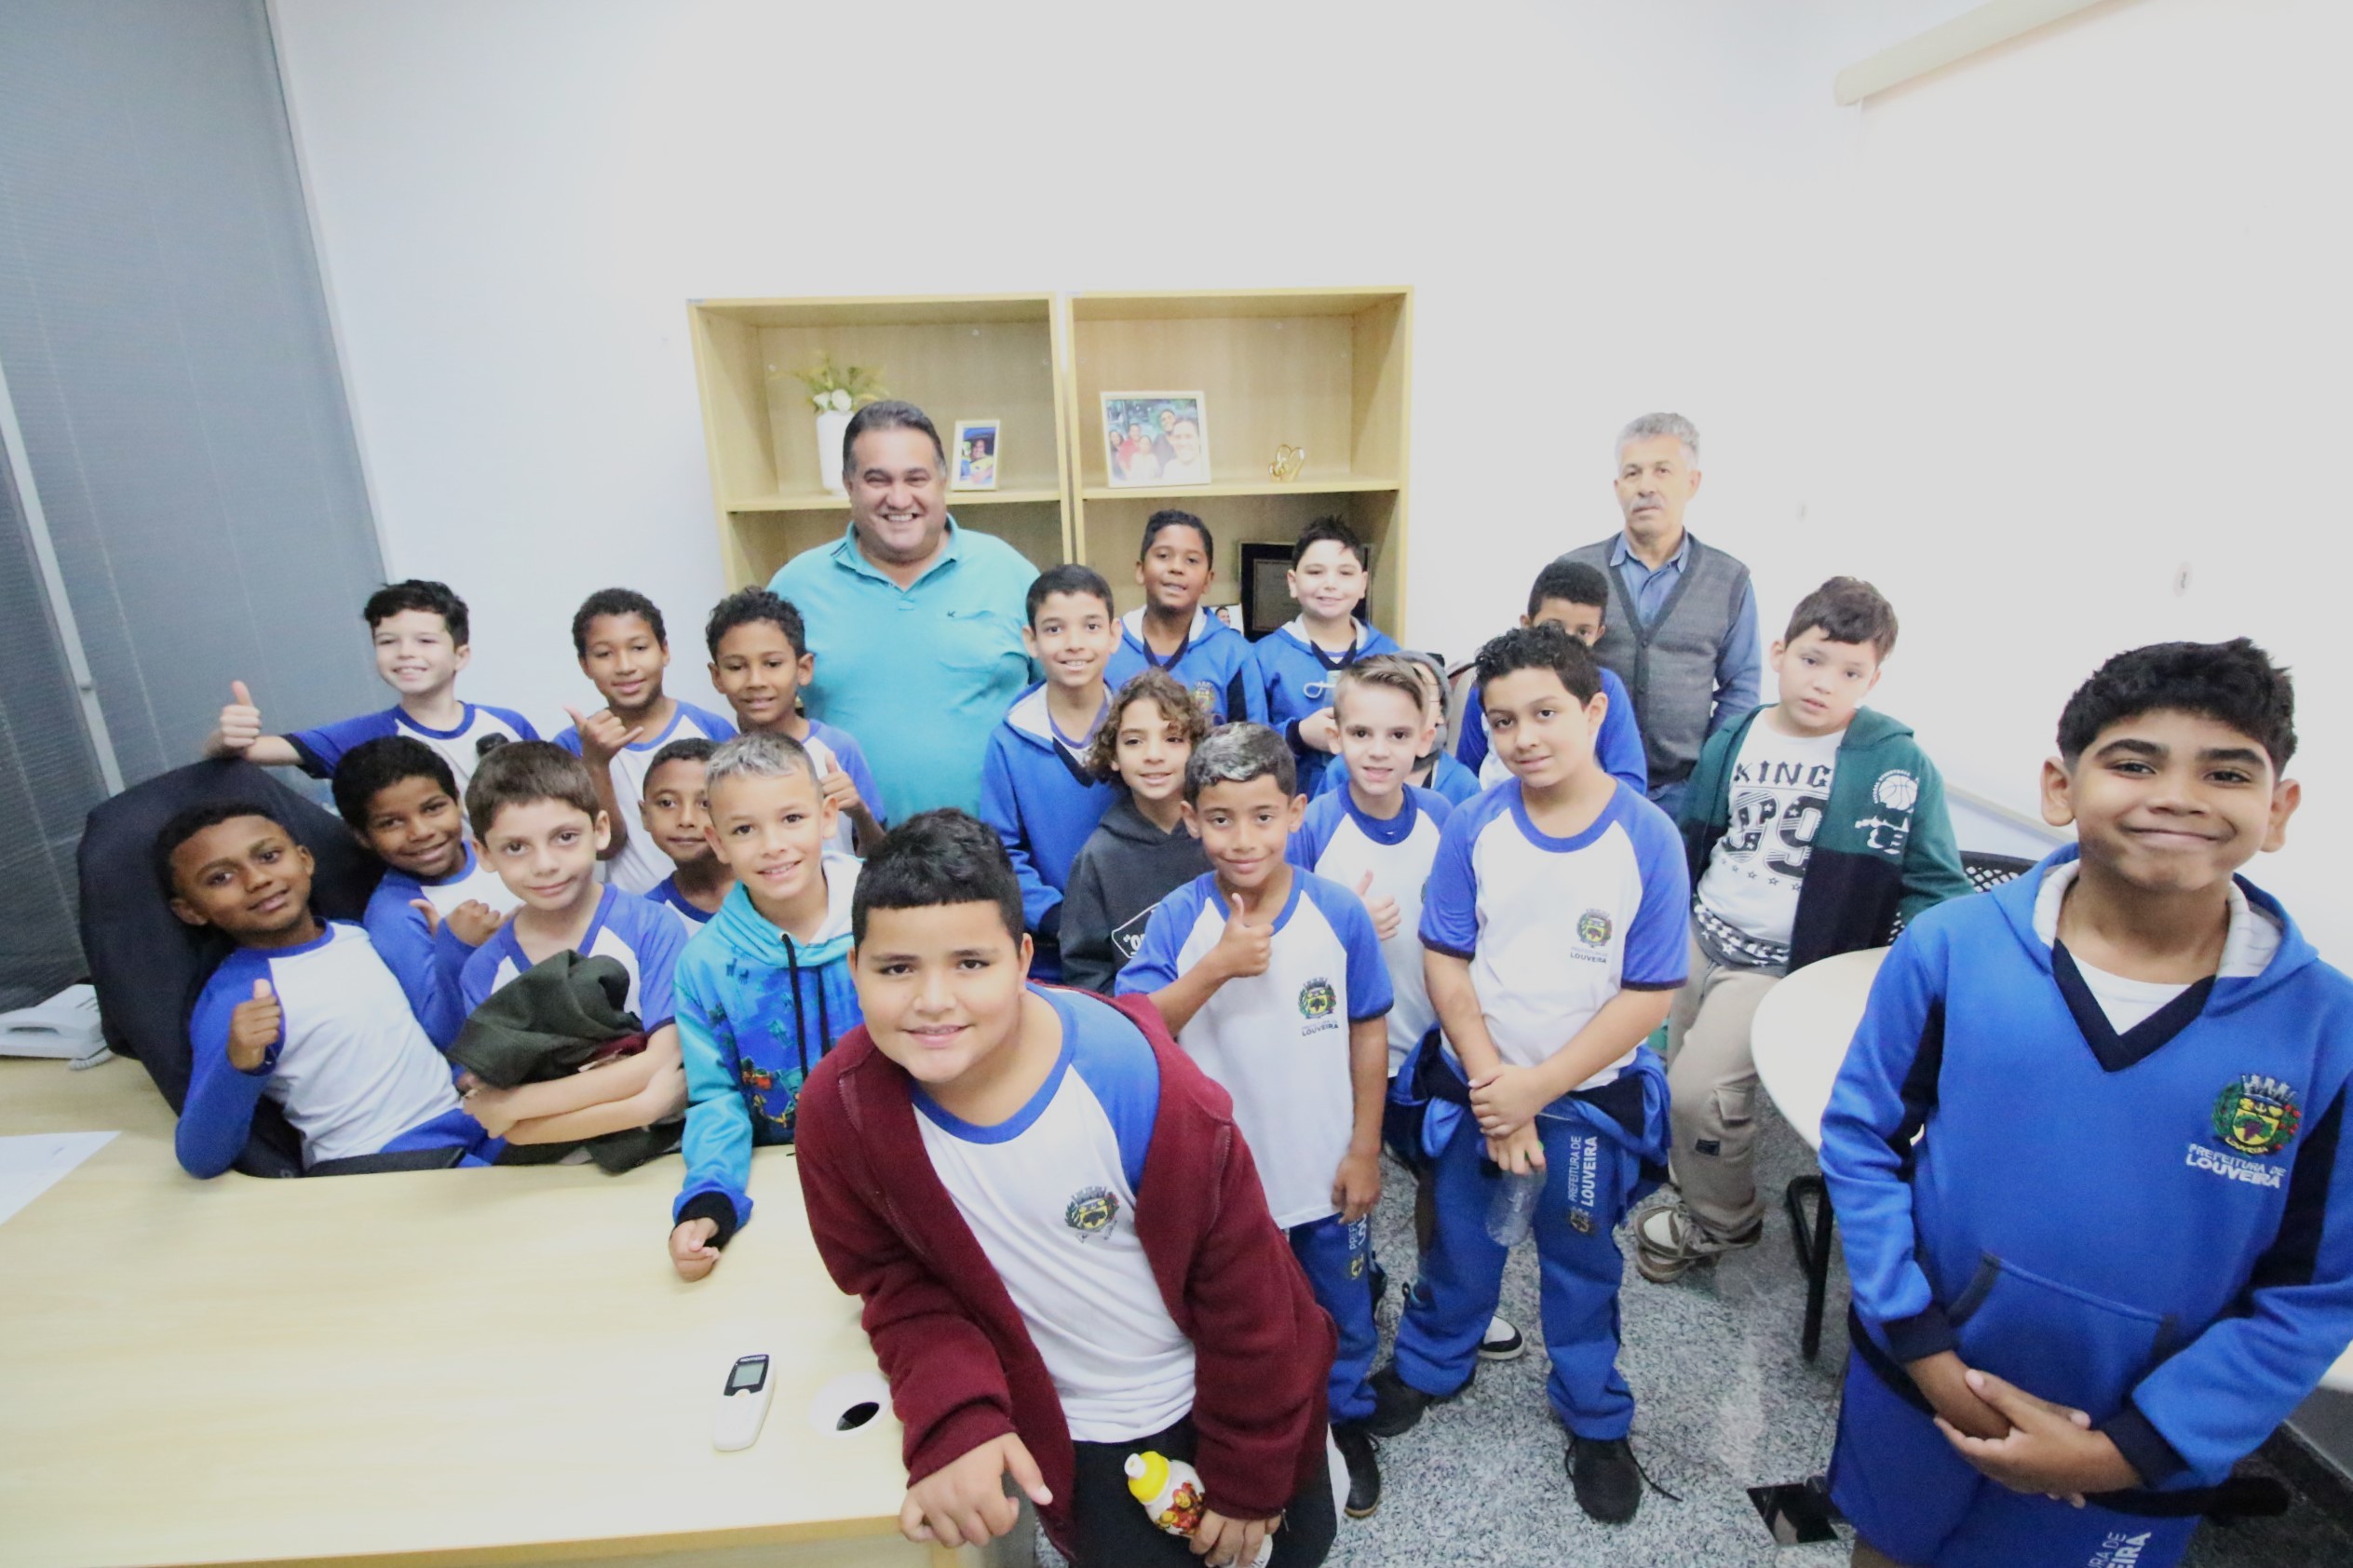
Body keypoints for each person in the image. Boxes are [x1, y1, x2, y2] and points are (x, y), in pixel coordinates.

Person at [1822, 640, 2352, 1568]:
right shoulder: (1950, 948)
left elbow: (2316, 1290)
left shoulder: (2326, 1031)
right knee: (1886, 1550)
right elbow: (1861, 1142)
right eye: (2134, 763)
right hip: (1918, 1382)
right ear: (2060, 788)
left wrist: (2121, 1452)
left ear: (2277, 811)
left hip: (2130, 1446)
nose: (2177, 796)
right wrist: (1925, 1353)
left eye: (2226, 772)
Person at [794, 810, 1339, 1567]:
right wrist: (956, 1416)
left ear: (1023, 959)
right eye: (896, 969)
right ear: (854, 967)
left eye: (970, 963)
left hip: (1237, 1399)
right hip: (1079, 1434)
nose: (933, 1000)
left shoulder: (1137, 1079)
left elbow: (1250, 1294)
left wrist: (1251, 1471)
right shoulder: (841, 1113)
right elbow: (895, 1283)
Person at [1369, 624, 1687, 1526]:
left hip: (1583, 1101)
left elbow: (1650, 992)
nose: (1523, 738)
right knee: (1460, 1245)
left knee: (1581, 1259)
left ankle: (1593, 1412)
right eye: (1502, 721)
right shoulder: (1477, 824)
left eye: (1545, 713)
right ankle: (1432, 1362)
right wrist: (1493, 1087)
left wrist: (1535, 1092)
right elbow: (1445, 956)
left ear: (1593, 711)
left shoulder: (1646, 837)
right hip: (1480, 1088)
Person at [1636, 578, 1970, 1283]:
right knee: (1672, 1071)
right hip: (1702, 933)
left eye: (1850, 672)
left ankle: (1723, 1221)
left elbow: (1936, 884)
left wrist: (1932, 979)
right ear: (1779, 652)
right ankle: (1689, 1173)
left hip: (1782, 965)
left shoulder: (1897, 763)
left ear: (1873, 680)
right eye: (1813, 660)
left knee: (1703, 1094)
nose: (1824, 683)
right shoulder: (1737, 734)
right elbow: (1697, 837)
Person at [1119, 723, 1391, 1519]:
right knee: (1237, 1320)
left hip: (1325, 1169)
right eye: (1220, 818)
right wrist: (1215, 968)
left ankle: (1343, 1422)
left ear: (1296, 814)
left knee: (1339, 1309)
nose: (1243, 839)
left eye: (1263, 816)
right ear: (1191, 819)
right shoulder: (1177, 920)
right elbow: (1137, 1029)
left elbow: (1368, 1029)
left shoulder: (1337, 913)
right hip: (1225, 1188)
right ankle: (1254, 1432)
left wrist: (1365, 1147)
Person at [160, 803, 498, 1178]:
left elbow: (421, 1032)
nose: (257, 880)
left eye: (269, 857)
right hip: (379, 1159)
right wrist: (237, 1064)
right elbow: (200, 1158)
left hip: (465, 1120)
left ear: (305, 860)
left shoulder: (355, 936)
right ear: (191, 911)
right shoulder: (236, 998)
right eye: (220, 878)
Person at [767, 399, 1036, 820]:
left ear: (943, 481)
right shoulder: (795, 588)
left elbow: (1063, 700)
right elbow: (761, 716)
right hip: (850, 846)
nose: (898, 498)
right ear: (849, 484)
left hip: (994, 846)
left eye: (916, 478)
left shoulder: (1010, 573)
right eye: (877, 480)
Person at [668, 732, 860, 1283]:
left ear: (827, 816)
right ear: (717, 841)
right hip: (781, 1187)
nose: (773, 845)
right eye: (745, 829)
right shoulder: (705, 964)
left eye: (792, 818)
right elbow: (715, 1096)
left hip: (904, 1165)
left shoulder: (890, 918)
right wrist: (709, 1199)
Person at [454, 742, 687, 1149]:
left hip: (670, 1155)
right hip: (551, 1171)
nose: (545, 864)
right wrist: (645, 1105)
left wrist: (515, 1103)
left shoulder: (651, 927)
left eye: (565, 837)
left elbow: (662, 1061)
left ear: (600, 830)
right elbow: (509, 1130)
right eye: (516, 847)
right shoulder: (484, 970)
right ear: (483, 853)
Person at [1555, 413, 1760, 818]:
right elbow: (1547, 673)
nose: (1646, 486)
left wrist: (1711, 772)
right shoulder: (1574, 573)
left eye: (1662, 471)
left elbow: (1741, 688)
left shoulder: (1729, 580)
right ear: (1617, 487)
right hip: (1588, 784)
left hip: (1685, 792)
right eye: (1633, 473)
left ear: (1692, 483)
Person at [206, 579, 536, 795]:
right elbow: (250, 751)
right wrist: (227, 738)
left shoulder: (508, 723)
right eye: (388, 641)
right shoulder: (366, 736)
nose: (405, 652)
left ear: (460, 656)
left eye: (425, 640)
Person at [977, 564, 1122, 982]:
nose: (1074, 644)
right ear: (1031, 641)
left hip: (1135, 934)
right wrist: (1057, 915)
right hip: (1046, 950)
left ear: (1114, 635)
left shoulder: (1139, 729)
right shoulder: (1009, 741)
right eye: (1055, 629)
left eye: (1091, 626)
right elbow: (1001, 851)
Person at [331, 737, 517, 1048]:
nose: (420, 832)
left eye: (433, 808)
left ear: (457, 799)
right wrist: (457, 948)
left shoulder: (504, 848)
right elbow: (444, 1034)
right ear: (362, 835)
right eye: (391, 823)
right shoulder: (395, 915)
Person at [553, 588, 736, 893]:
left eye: (638, 648)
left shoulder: (711, 729)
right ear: (585, 664)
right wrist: (595, 763)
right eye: (604, 654)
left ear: (664, 650)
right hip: (634, 908)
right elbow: (604, 846)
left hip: (720, 902)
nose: (625, 666)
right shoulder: (572, 746)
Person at [1059, 669, 1210, 995]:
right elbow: (1086, 973)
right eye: (1133, 741)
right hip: (1137, 1023)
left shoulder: (1219, 838)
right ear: (1113, 755)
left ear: (1195, 748)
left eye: (1173, 739)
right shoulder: (1098, 858)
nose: (1153, 755)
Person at [703, 587, 885, 856]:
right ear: (717, 676)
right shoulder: (714, 757)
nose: (756, 681)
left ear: (803, 669)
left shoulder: (837, 749)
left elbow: (880, 855)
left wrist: (860, 812)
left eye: (772, 664)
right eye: (737, 667)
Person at [1456, 561, 1647, 797]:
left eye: (1583, 632)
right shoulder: (1490, 686)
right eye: (1554, 628)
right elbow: (1465, 773)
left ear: (1598, 634)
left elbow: (1629, 780)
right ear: (1527, 624)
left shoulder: (1606, 687)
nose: (1567, 641)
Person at [1242, 517, 1401, 799]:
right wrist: (1298, 734)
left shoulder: (1390, 655)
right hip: (1287, 805)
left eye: (1345, 573)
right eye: (1315, 572)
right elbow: (1249, 742)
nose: (1330, 584)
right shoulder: (1262, 656)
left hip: (1371, 804)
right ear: (1292, 582)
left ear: (1363, 583)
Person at [1103, 509, 1251, 723]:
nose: (1176, 568)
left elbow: (1254, 738)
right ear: (1140, 570)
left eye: (1191, 560)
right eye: (1163, 556)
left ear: (1208, 580)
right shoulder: (1109, 646)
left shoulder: (1234, 653)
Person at [1316, 650, 1483, 806]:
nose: (1379, 752)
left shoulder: (1462, 784)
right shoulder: (1339, 772)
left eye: (1398, 735)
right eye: (1361, 733)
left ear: (1442, 708)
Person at [636, 737, 733, 929]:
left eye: (706, 804)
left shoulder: (775, 892)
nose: (686, 819)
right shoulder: (646, 922)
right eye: (667, 803)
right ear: (645, 815)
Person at [1160, 417, 1210, 483]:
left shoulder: (1208, 467)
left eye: (1188, 437)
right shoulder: (1170, 468)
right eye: (1178, 437)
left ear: (1200, 439)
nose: (1183, 443)